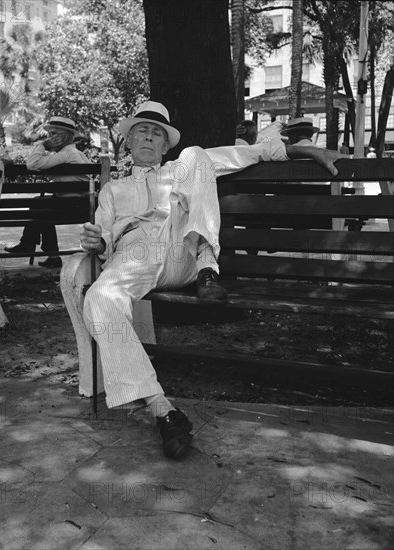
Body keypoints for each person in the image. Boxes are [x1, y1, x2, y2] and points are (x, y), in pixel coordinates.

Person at [80, 100, 347, 460]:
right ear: (128, 139)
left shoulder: (181, 167)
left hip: (181, 251)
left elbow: (250, 153)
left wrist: (303, 148)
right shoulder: (112, 190)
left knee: (198, 156)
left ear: (164, 144)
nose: (149, 136)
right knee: (99, 298)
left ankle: (209, 267)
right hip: (135, 256)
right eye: (142, 129)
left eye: (157, 132)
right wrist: (97, 242)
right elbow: (105, 241)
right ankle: (164, 411)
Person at [5, 116, 89, 268]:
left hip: (73, 207)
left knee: (40, 205)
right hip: (82, 205)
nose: (50, 137)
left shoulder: (66, 154)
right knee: (41, 205)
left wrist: (42, 145)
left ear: (62, 137)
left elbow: (32, 164)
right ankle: (47, 253)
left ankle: (31, 246)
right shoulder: (75, 153)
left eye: (53, 134)